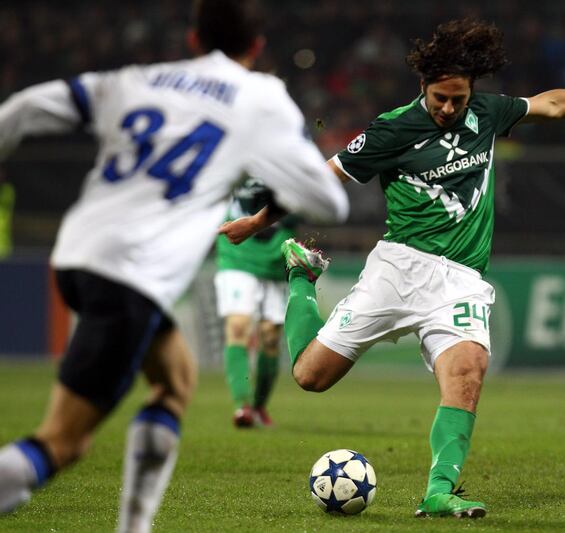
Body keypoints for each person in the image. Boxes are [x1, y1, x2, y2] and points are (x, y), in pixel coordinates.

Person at [220, 18, 565, 519]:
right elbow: (322, 178)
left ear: (472, 93)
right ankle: (300, 276)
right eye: (440, 98)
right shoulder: (392, 129)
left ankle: (440, 491)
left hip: (461, 279)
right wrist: (257, 220)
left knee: (468, 372)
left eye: (458, 100)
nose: (448, 108)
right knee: (311, 377)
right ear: (423, 86)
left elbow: (550, 104)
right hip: (398, 270)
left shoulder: (487, 113)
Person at [0, 0, 348, 530]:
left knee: (175, 378)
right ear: (255, 48)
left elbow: (24, 109)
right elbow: (331, 203)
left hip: (74, 255)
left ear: (192, 40)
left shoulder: (140, 79)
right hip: (130, 274)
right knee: (63, 441)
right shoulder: (260, 97)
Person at [215, 178, 299, 428]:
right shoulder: (235, 150)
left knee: (270, 338)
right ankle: (242, 405)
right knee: (239, 327)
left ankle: (260, 405)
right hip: (237, 257)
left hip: (274, 259)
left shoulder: (291, 156)